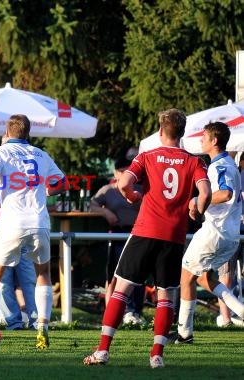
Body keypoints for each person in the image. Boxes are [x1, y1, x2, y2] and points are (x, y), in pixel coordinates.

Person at [83, 108, 212, 368]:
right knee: (166, 296)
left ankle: (103, 351)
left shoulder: (147, 156)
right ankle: (157, 356)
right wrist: (197, 211)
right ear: (183, 132)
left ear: (161, 131)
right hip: (174, 236)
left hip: (145, 231)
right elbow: (206, 192)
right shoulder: (195, 161)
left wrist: (132, 197)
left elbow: (124, 184)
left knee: (121, 290)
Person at [0, 114, 65, 350]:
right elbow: (62, 182)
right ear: (28, 133)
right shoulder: (41, 154)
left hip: (12, 222)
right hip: (39, 221)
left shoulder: (0, 152)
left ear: (7, 133)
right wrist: (48, 192)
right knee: (43, 274)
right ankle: (42, 327)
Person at [174, 122, 244, 343]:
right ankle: (241, 311)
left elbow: (225, 193)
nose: (201, 140)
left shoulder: (219, 166)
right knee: (203, 278)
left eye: (204, 137)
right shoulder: (227, 164)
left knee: (185, 277)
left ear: (214, 141)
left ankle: (184, 333)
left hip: (215, 232)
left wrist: (197, 200)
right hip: (230, 235)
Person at [0, 137, 37, 331]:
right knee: (3, 280)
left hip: (19, 228)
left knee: (27, 276)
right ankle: (14, 322)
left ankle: (37, 320)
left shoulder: (22, 166)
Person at [90, 157, 145, 325]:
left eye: (128, 170)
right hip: (117, 234)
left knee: (138, 274)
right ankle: (121, 312)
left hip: (137, 234)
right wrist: (106, 212)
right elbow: (91, 204)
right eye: (121, 171)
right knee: (116, 275)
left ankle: (135, 311)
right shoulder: (108, 190)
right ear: (115, 172)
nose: (125, 174)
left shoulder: (139, 189)